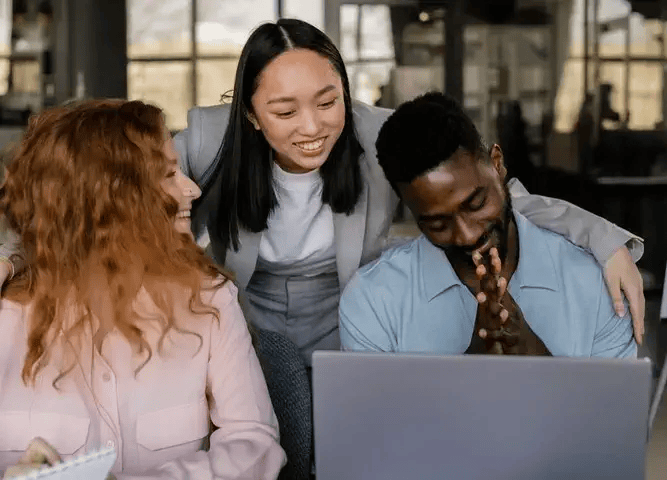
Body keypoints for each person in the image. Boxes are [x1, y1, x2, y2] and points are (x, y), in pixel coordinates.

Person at [0, 19, 645, 367]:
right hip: (243, 317)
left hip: (342, 314)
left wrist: (604, 238)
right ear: (250, 114)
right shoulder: (203, 140)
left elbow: (485, 192)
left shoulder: (376, 135)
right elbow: (88, 188)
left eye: (328, 100)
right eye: (284, 112)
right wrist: (14, 257)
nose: (313, 128)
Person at [0, 100, 285, 479]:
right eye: (169, 175)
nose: (192, 190)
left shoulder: (208, 299)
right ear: (108, 198)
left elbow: (255, 446)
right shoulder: (8, 313)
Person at [339, 92, 636, 358]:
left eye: (476, 204)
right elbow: (375, 420)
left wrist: (538, 361)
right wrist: (474, 368)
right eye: (438, 223)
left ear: (497, 164)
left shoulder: (597, 284)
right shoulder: (372, 301)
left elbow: (616, 417)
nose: (468, 235)